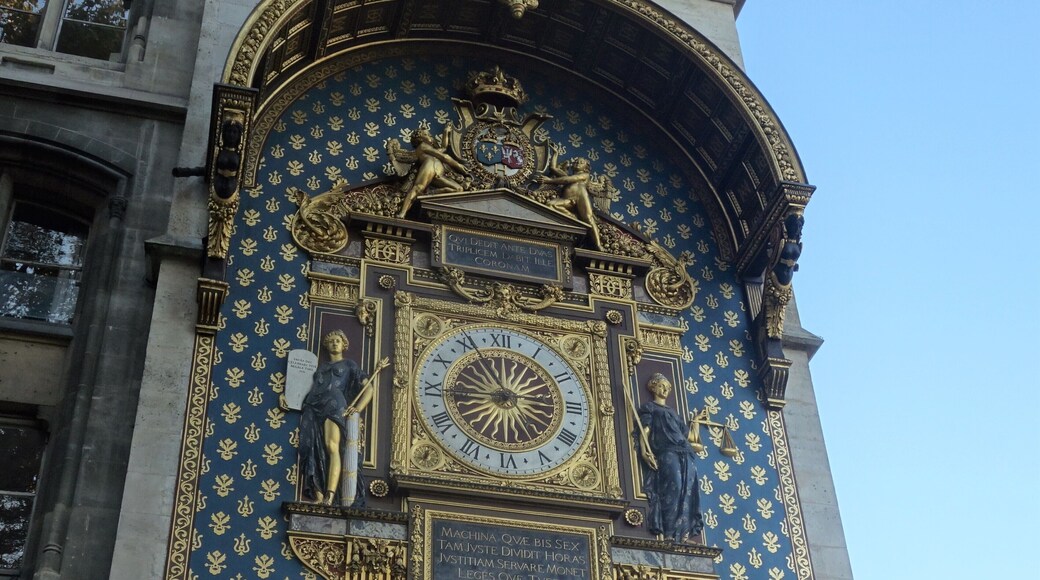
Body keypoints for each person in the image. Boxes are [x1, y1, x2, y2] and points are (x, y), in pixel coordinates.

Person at [292, 330, 389, 505]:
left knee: (331, 446)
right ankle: (318, 493)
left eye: (338, 341)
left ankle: (330, 495)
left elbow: (369, 390)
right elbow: (306, 389)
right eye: (331, 341)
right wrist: (290, 399)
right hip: (313, 406)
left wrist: (356, 408)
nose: (335, 343)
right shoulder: (321, 367)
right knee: (314, 448)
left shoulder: (349, 365)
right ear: (326, 346)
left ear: (344, 345)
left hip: (334, 405)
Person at [635, 373, 703, 543]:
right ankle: (670, 534)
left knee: (688, 491)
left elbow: (691, 438)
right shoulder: (650, 408)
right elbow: (645, 431)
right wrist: (644, 451)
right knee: (674, 487)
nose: (664, 389)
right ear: (653, 386)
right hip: (667, 452)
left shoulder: (674, 413)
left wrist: (696, 422)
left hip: (686, 453)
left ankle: (684, 534)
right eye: (661, 385)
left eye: (667, 387)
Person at [393, 126, 469, 217]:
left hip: (438, 173)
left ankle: (429, 194)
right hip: (429, 165)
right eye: (426, 134)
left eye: (429, 134)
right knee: (417, 188)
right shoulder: (422, 146)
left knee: (459, 189)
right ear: (420, 138)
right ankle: (402, 213)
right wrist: (458, 165)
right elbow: (444, 157)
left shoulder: (429, 149)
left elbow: (444, 148)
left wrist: (446, 132)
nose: (430, 136)